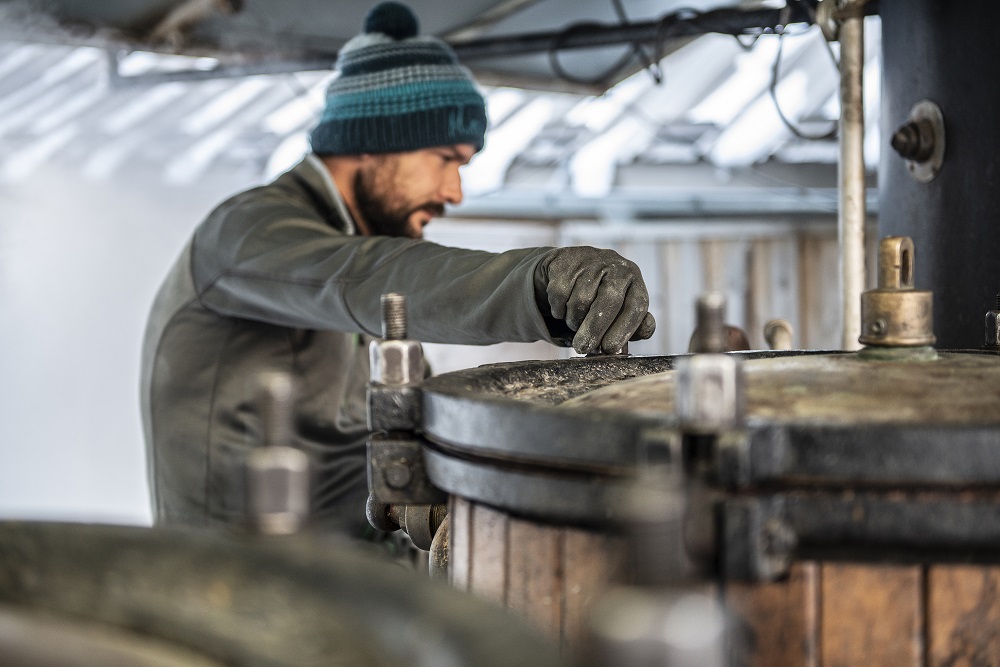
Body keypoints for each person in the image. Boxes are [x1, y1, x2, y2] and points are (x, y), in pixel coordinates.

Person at [140, 0, 656, 536]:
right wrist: (538, 280)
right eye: (446, 159)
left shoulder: (354, 246)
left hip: (349, 581)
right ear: (375, 142)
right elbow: (370, 277)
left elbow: (401, 424)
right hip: (240, 593)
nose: (454, 192)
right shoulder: (247, 232)